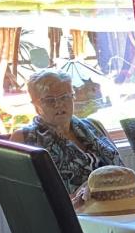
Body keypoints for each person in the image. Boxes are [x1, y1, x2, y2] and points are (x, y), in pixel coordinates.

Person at [12, 69, 121, 199]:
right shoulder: (23, 138)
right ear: (35, 104)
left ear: (73, 97)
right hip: (70, 209)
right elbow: (23, 195)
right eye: (50, 100)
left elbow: (121, 169)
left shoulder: (94, 126)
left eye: (64, 97)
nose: (59, 104)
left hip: (119, 199)